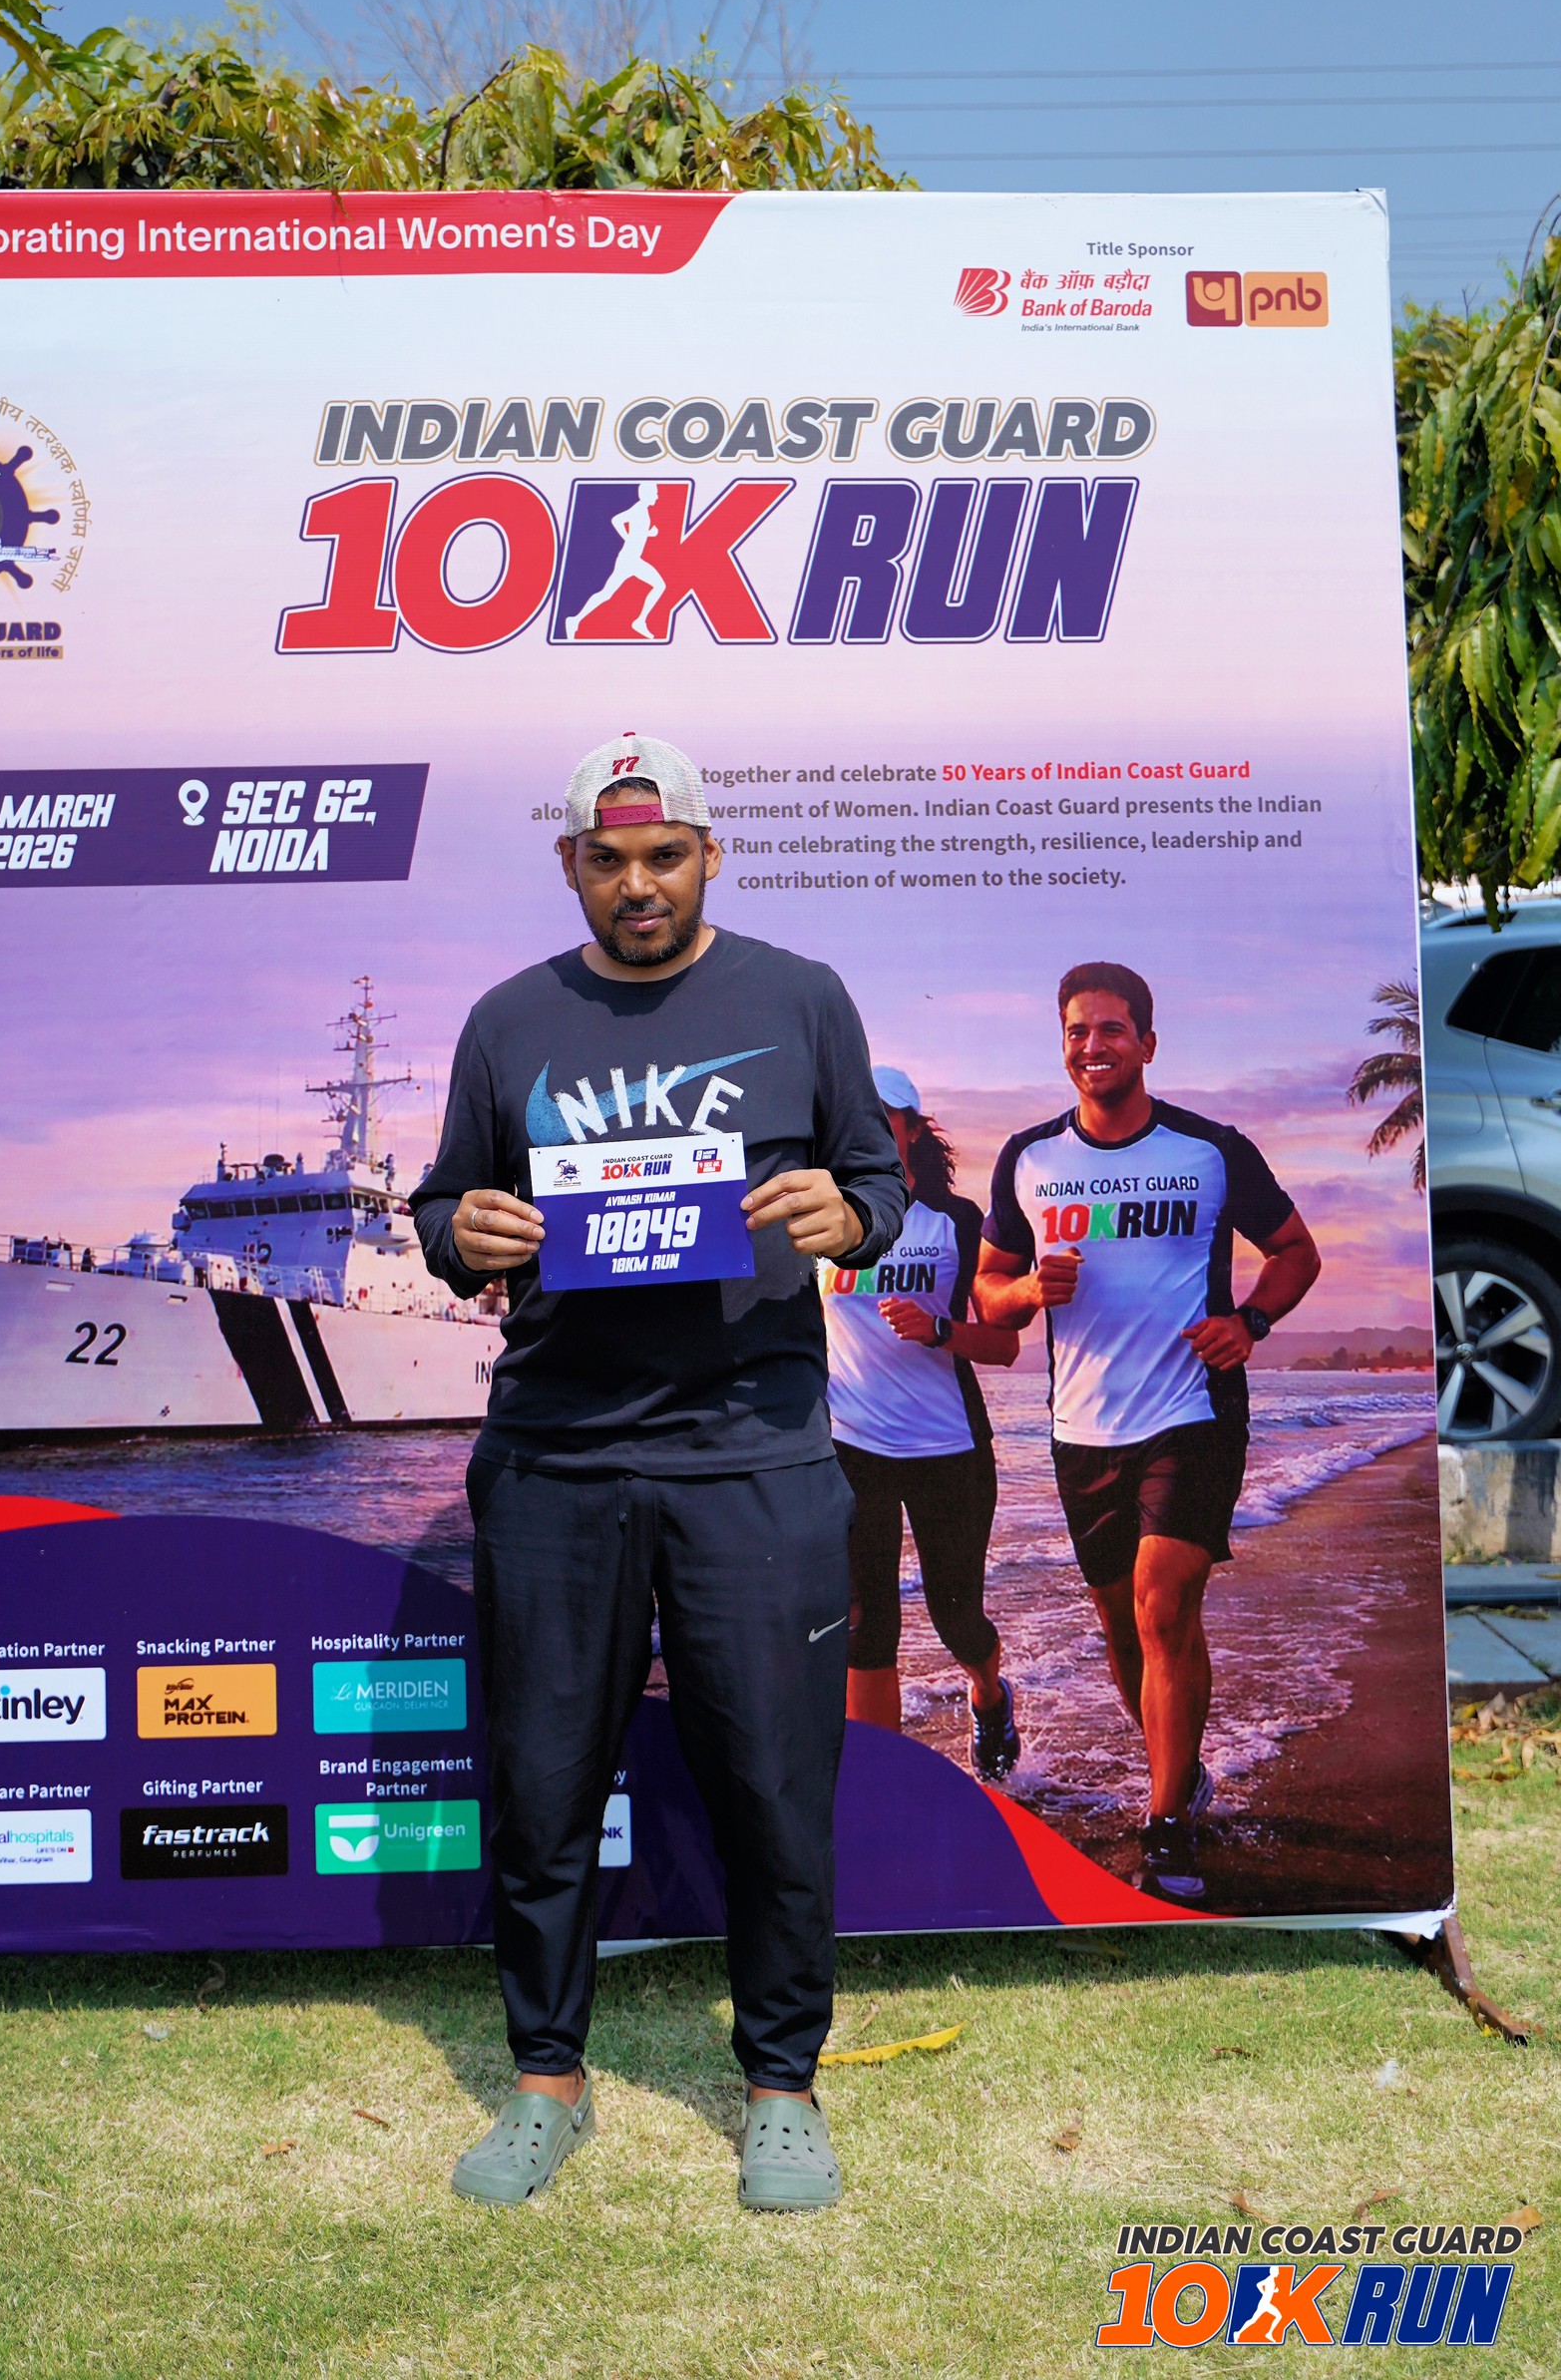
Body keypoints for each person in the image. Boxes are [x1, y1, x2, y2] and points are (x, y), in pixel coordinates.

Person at [413, 729, 907, 2211]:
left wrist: (848, 1216)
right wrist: (461, 1233)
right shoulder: (508, 1022)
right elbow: (440, 1210)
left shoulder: (801, 998)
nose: (638, 885)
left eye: (664, 857)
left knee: (772, 1786)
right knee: (543, 1784)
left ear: (708, 855)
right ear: (571, 864)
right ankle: (544, 2081)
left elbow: (880, 1183)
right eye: (609, 861)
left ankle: (782, 2088)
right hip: (555, 1458)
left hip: (753, 1454)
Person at [973, 964, 1321, 1903]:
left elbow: (1296, 1252)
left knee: (1163, 1606)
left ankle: (1166, 1829)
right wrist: (1025, 1289)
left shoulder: (1211, 1150)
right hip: (1080, 1426)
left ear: (1148, 1044)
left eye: (1112, 1030)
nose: (1093, 1046)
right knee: (1125, 1631)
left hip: (1192, 1411)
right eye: (1077, 1031)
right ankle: (1184, 1771)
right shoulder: (1029, 1158)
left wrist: (1250, 1322)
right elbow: (988, 1296)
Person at [821, 1066, 1021, 1777]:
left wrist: (939, 1330)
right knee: (864, 1627)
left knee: (958, 1619)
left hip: (948, 1446)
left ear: (912, 1128)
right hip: (850, 1448)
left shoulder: (956, 1221)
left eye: (886, 1116)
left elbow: (1005, 1346)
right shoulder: (819, 1220)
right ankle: (882, 1790)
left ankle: (989, 1694)